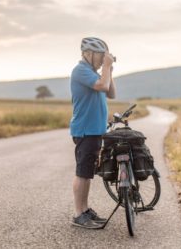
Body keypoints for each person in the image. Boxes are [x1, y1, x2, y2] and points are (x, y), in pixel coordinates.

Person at [70, 37, 116, 229]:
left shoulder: (94, 73)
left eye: (104, 56)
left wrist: (109, 70)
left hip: (95, 131)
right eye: (100, 55)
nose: (102, 59)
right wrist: (106, 68)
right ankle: (79, 214)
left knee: (88, 172)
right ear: (87, 54)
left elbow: (111, 92)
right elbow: (102, 87)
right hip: (86, 130)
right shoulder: (81, 70)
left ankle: (85, 210)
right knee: (83, 172)